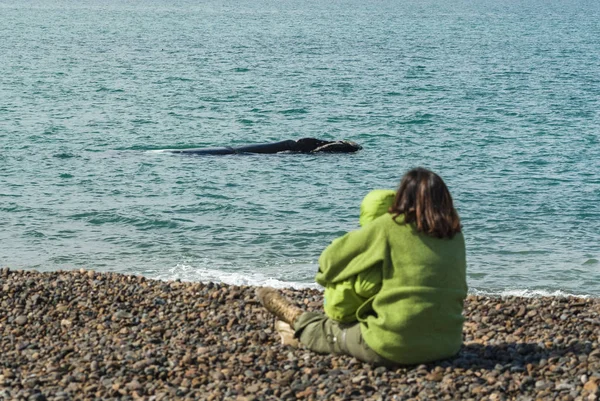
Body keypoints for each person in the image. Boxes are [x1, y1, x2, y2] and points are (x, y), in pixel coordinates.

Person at [257, 167, 467, 366]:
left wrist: (339, 275)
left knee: (329, 331)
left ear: (402, 196)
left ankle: (295, 320)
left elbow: (329, 261)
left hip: (391, 346)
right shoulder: (455, 235)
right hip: (448, 344)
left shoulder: (390, 225)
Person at [322, 189, 395, 323]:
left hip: (332, 307)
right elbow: (366, 288)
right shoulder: (380, 248)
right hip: (355, 316)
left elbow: (322, 273)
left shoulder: (346, 242)